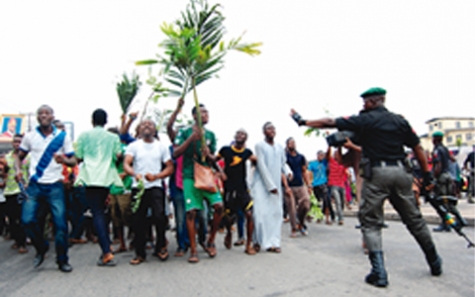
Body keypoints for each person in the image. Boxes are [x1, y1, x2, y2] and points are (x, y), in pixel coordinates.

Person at [291, 87, 442, 287]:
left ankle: (379, 273)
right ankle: (434, 262)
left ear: (373, 102)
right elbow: (418, 147)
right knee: (414, 220)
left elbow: (330, 121)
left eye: (365, 102)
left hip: (377, 174)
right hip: (400, 172)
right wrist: (428, 175)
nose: (363, 105)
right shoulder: (400, 121)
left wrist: (303, 122)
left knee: (370, 222)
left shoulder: (363, 120)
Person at [15, 105, 76, 273]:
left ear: (52, 116)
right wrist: (19, 171)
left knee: (60, 225)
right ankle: (41, 248)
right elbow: (18, 158)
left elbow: (74, 161)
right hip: (35, 186)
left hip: (55, 186)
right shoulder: (30, 136)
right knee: (27, 221)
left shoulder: (62, 137)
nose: (43, 116)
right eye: (40, 113)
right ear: (37, 117)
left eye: (47, 113)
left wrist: (63, 160)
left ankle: (62, 260)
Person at [173, 104, 224, 263]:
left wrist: (209, 155)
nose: (206, 114)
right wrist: (191, 139)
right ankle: (193, 250)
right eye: (202, 112)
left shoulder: (211, 135)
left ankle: (211, 241)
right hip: (189, 176)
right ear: (194, 116)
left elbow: (213, 158)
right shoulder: (185, 131)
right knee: (191, 212)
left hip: (206, 175)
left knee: (219, 206)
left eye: (207, 112)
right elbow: (176, 153)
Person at [75, 109, 123, 267]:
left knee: (97, 213)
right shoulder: (113, 137)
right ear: (106, 121)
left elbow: (79, 157)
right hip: (107, 178)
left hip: (90, 177)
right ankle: (106, 249)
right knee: (101, 213)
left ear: (92, 120)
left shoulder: (83, 135)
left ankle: (107, 251)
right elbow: (118, 155)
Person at [124, 119, 174, 265]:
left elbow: (169, 167)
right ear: (139, 129)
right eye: (144, 124)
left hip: (156, 186)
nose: (147, 126)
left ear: (155, 130)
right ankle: (140, 253)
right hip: (138, 187)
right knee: (138, 220)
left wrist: (157, 176)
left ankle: (160, 247)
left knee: (159, 217)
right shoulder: (133, 146)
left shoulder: (161, 147)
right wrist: (134, 174)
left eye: (150, 124)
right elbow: (126, 164)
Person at [216, 129, 257, 255]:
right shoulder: (225, 150)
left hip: (242, 189)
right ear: (235, 136)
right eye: (238, 134)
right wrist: (220, 172)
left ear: (246, 139)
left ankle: (248, 245)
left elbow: (256, 161)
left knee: (249, 214)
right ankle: (229, 233)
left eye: (243, 134)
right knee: (229, 218)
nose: (240, 135)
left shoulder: (247, 152)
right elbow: (213, 159)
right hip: (229, 188)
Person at [252, 122, 290, 253]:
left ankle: (274, 242)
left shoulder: (279, 147)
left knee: (276, 213)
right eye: (269, 128)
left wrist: (288, 172)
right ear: (264, 132)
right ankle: (259, 241)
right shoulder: (259, 146)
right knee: (260, 214)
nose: (272, 130)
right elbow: (261, 165)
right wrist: (270, 185)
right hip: (261, 185)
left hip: (276, 185)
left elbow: (283, 163)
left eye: (273, 128)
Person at [108, 127, 133, 253]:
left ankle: (136, 239)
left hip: (125, 187)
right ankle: (122, 244)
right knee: (115, 217)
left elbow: (130, 164)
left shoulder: (125, 149)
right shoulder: (105, 151)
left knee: (127, 214)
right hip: (111, 188)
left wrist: (125, 173)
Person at [4, 134, 29, 253]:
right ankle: (17, 239)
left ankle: (22, 243)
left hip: (22, 191)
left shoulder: (28, 157)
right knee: (12, 218)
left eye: (20, 142)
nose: (17, 144)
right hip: (9, 190)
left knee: (22, 218)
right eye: (15, 142)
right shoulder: (7, 157)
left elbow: (31, 172)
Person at [284, 137, 311, 236]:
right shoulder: (284, 157)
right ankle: (293, 229)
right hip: (289, 186)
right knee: (291, 208)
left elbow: (304, 171)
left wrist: (308, 185)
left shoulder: (301, 157)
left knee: (306, 203)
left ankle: (301, 223)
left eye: (293, 142)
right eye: (290, 143)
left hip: (300, 185)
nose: (292, 144)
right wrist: (286, 186)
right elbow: (282, 171)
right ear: (287, 145)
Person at [431, 131, 455, 232]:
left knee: (440, 202)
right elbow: (453, 159)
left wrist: (434, 178)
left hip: (441, 177)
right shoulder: (445, 149)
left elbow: (438, 164)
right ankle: (449, 223)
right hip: (448, 175)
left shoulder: (437, 150)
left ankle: (445, 223)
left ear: (436, 139)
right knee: (447, 201)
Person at [308, 150, 334, 224]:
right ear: (317, 156)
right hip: (315, 184)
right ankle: (315, 216)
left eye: (322, 155)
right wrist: (310, 183)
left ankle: (327, 218)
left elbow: (328, 155)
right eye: (320, 155)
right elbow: (309, 172)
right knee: (315, 202)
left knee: (326, 200)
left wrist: (329, 146)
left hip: (324, 183)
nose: (321, 157)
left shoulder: (325, 162)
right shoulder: (313, 164)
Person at [326, 146, 348, 226]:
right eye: (335, 154)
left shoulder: (343, 163)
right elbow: (328, 154)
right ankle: (341, 218)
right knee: (338, 202)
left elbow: (347, 173)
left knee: (342, 202)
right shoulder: (331, 161)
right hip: (333, 185)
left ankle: (339, 215)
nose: (336, 156)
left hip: (342, 185)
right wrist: (330, 146)